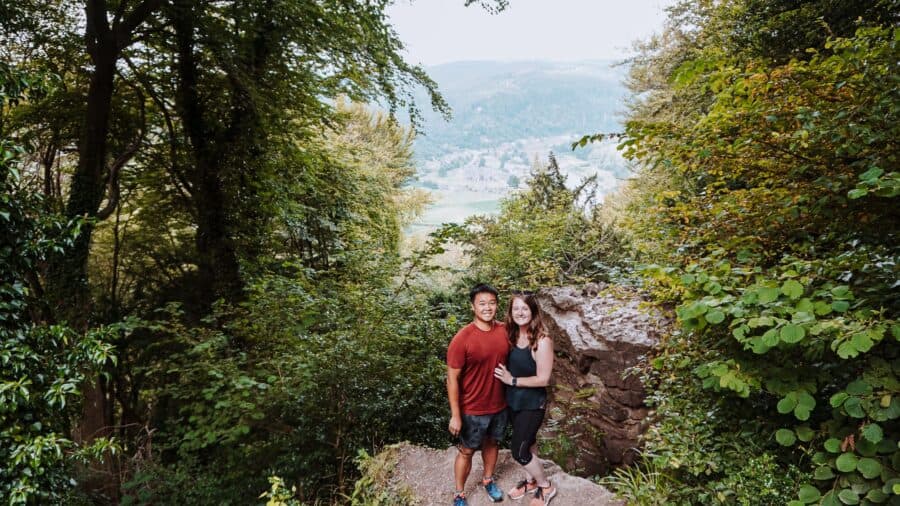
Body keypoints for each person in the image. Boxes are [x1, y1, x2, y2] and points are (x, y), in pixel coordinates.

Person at [447, 284, 510, 505]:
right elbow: (452, 378)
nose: (487, 307)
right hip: (472, 408)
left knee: (492, 444)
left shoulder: (505, 330)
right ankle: (459, 493)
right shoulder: (462, 338)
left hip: (499, 405)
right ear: (473, 306)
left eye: (492, 303)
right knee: (466, 450)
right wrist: (455, 415)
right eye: (482, 303)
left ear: (497, 305)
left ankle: (488, 480)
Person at [493, 292, 557, 505]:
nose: (520, 313)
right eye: (516, 309)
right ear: (511, 313)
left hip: (532, 404)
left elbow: (543, 379)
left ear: (533, 311)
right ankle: (530, 481)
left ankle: (545, 486)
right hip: (513, 402)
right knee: (529, 442)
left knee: (519, 451)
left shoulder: (541, 340)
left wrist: (512, 380)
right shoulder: (510, 335)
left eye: (525, 308)